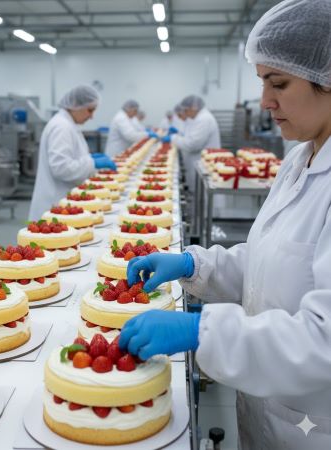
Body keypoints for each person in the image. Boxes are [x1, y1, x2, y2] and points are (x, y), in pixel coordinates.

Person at [119, 1, 331, 448]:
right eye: (263, 83)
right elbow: (267, 260)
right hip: (267, 408)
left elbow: (324, 339)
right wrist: (194, 264)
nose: (265, 101)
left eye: (278, 83)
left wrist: (203, 332)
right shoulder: (299, 160)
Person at [28, 85, 116, 220]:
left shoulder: (68, 124)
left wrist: (89, 158)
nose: (91, 116)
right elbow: (61, 168)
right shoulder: (61, 127)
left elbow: (71, 158)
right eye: (90, 110)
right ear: (76, 106)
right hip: (55, 204)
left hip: (65, 202)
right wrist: (92, 163)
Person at [163, 95, 220, 191]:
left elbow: (192, 144)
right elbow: (190, 137)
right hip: (198, 162)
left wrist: (173, 138)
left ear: (194, 108)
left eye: (186, 110)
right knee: (197, 192)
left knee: (203, 194)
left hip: (204, 165)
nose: (185, 113)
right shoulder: (199, 118)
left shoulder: (204, 119)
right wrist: (178, 134)